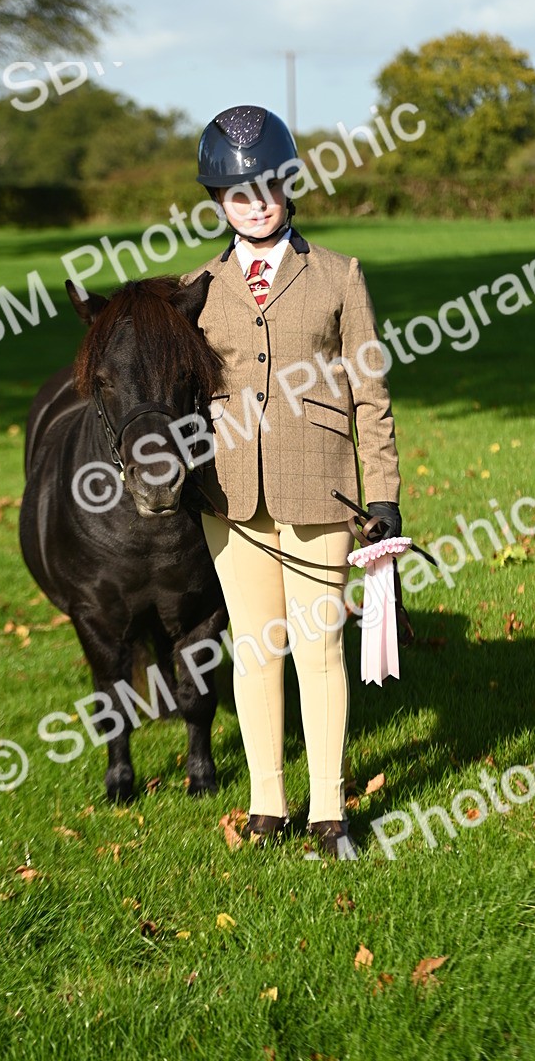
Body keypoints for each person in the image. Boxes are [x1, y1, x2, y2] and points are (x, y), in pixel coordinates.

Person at [180, 105, 401, 860]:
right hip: (232, 498)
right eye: (242, 195)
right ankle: (268, 801)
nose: (259, 204)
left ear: (290, 187)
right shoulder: (196, 288)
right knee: (254, 647)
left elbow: (371, 392)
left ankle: (331, 808)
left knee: (319, 649)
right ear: (218, 203)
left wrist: (385, 493)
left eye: (271, 187)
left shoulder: (339, 275)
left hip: (323, 491)